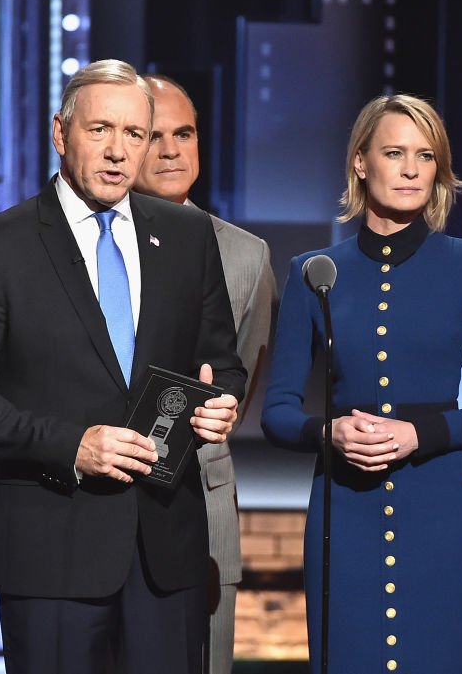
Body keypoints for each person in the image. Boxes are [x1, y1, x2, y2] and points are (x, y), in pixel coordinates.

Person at [0, 59, 247, 674]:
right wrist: (72, 446)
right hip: (52, 548)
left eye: (135, 134)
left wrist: (222, 403)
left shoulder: (185, 236)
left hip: (164, 548)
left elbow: (221, 365)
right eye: (101, 130)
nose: (119, 151)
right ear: (60, 133)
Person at [261, 94, 462, 674]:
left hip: (442, 510)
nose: (410, 169)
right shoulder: (313, 272)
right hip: (343, 511)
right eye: (394, 153)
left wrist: (420, 434)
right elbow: (277, 410)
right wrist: (326, 431)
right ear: (361, 163)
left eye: (425, 156)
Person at [134, 74, 276, 674]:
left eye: (184, 134)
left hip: (203, 506)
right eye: (154, 135)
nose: (171, 150)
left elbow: (247, 373)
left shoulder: (246, 255)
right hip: (96, 506)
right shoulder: (79, 244)